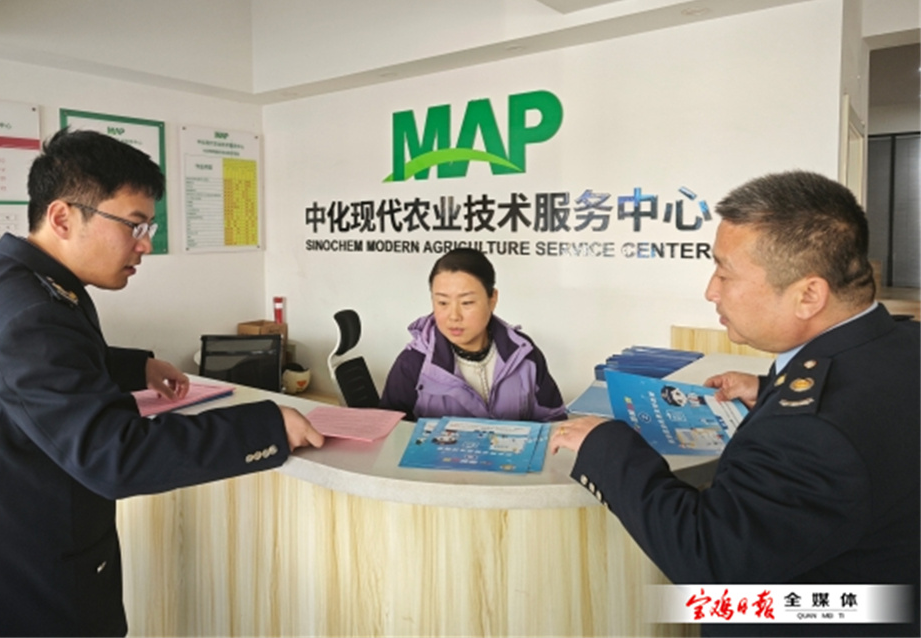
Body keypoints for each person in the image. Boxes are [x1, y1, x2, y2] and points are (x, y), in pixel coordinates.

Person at [0, 128, 324, 638]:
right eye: (134, 224)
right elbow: (114, 456)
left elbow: (36, 369)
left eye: (149, 226)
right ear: (63, 218)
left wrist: (138, 368)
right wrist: (267, 427)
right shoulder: (34, 314)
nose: (146, 244)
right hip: (18, 598)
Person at [550, 170, 919, 637]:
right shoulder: (900, 345)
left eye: (725, 273)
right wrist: (771, 390)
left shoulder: (810, 431)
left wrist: (607, 446)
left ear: (809, 295)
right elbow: (861, 409)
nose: (711, 290)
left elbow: (712, 558)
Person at [380, 247, 567, 422]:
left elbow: (554, 422)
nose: (454, 316)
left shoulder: (523, 354)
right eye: (443, 303)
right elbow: (390, 433)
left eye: (467, 302)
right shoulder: (413, 364)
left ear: (492, 299)